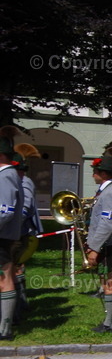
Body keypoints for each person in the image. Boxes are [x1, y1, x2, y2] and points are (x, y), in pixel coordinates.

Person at [84, 147, 112, 333]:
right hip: (106, 242)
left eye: (95, 171)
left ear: (103, 173)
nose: (93, 174)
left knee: (108, 281)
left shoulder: (110, 193)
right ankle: (108, 321)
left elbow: (107, 224)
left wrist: (94, 248)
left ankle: (110, 324)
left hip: (108, 244)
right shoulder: (107, 190)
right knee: (104, 279)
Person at [0, 126, 26, 341]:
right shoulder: (7, 174)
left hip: (2, 234)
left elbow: (4, 210)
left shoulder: (6, 175)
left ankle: (5, 328)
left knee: (4, 278)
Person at [12, 145, 42, 320]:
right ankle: (20, 304)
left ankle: (18, 308)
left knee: (15, 269)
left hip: (21, 230)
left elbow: (25, 207)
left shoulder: (25, 182)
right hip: (16, 229)